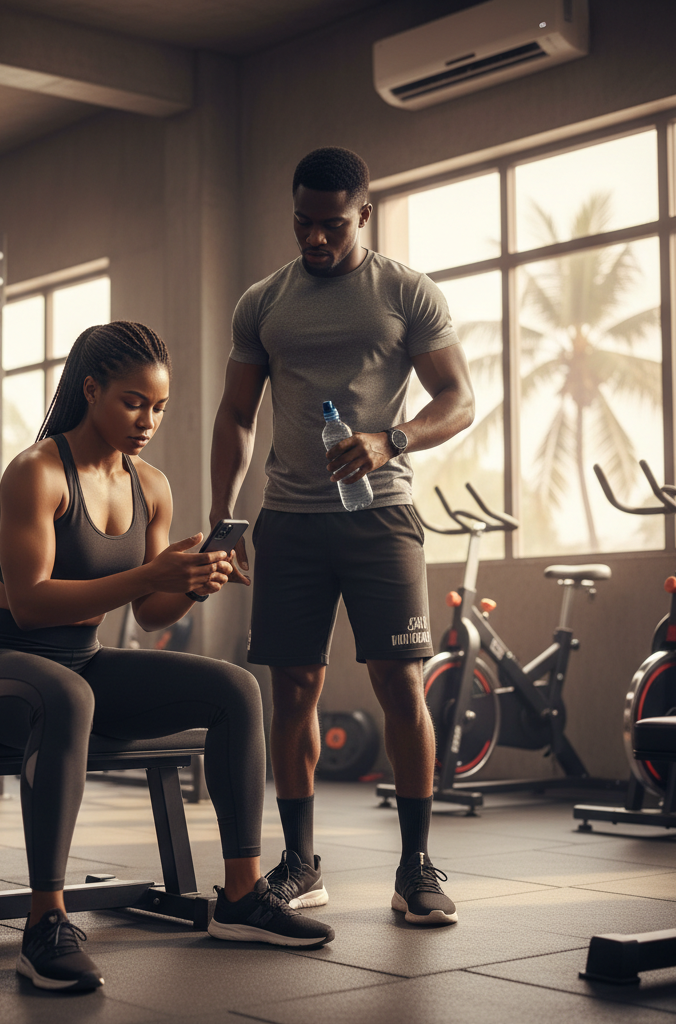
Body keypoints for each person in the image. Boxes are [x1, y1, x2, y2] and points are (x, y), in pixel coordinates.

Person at [0, 321, 334, 993]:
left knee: (235, 689)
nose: (148, 420)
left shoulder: (150, 484)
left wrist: (188, 585)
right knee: (67, 698)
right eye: (133, 402)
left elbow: (150, 614)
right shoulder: (36, 471)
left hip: (85, 662)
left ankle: (240, 897)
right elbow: (33, 602)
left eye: (158, 406)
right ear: (92, 390)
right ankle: (46, 924)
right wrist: (151, 578)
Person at [209, 147, 475, 927]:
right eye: (303, 222)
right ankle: (299, 865)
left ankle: (416, 866)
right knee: (291, 691)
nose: (315, 238)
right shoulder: (263, 302)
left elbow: (458, 396)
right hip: (289, 519)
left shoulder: (405, 292)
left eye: (331, 224)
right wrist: (227, 515)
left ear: (364, 212)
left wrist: (392, 439)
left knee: (401, 684)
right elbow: (236, 414)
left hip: (382, 515)